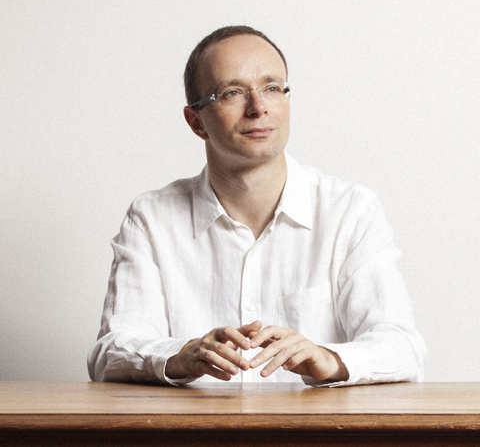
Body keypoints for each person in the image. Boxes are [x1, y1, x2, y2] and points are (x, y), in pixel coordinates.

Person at [87, 25, 426, 387]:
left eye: (272, 88)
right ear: (196, 122)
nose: (258, 107)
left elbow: (403, 348)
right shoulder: (152, 219)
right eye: (232, 93)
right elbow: (110, 353)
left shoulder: (349, 211)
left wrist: (330, 359)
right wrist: (179, 356)